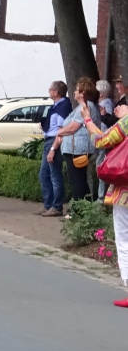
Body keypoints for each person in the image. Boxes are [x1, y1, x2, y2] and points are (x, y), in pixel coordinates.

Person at [80, 97, 128, 307]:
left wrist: (87, 119)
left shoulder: (127, 122)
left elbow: (101, 140)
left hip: (125, 192)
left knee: (124, 238)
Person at [47, 77, 100, 205]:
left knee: (78, 182)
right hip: (76, 150)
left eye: (77, 90)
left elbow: (72, 128)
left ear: (83, 93)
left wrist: (59, 132)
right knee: (80, 180)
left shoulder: (85, 107)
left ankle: (79, 210)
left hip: (79, 151)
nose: (74, 92)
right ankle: (82, 208)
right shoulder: (82, 107)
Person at [38, 80, 71, 217]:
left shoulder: (62, 107)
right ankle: (49, 205)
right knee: (44, 174)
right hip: (50, 140)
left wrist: (53, 149)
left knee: (54, 175)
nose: (48, 91)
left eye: (50, 89)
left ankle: (57, 207)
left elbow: (60, 130)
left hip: (54, 142)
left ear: (56, 92)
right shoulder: (56, 106)